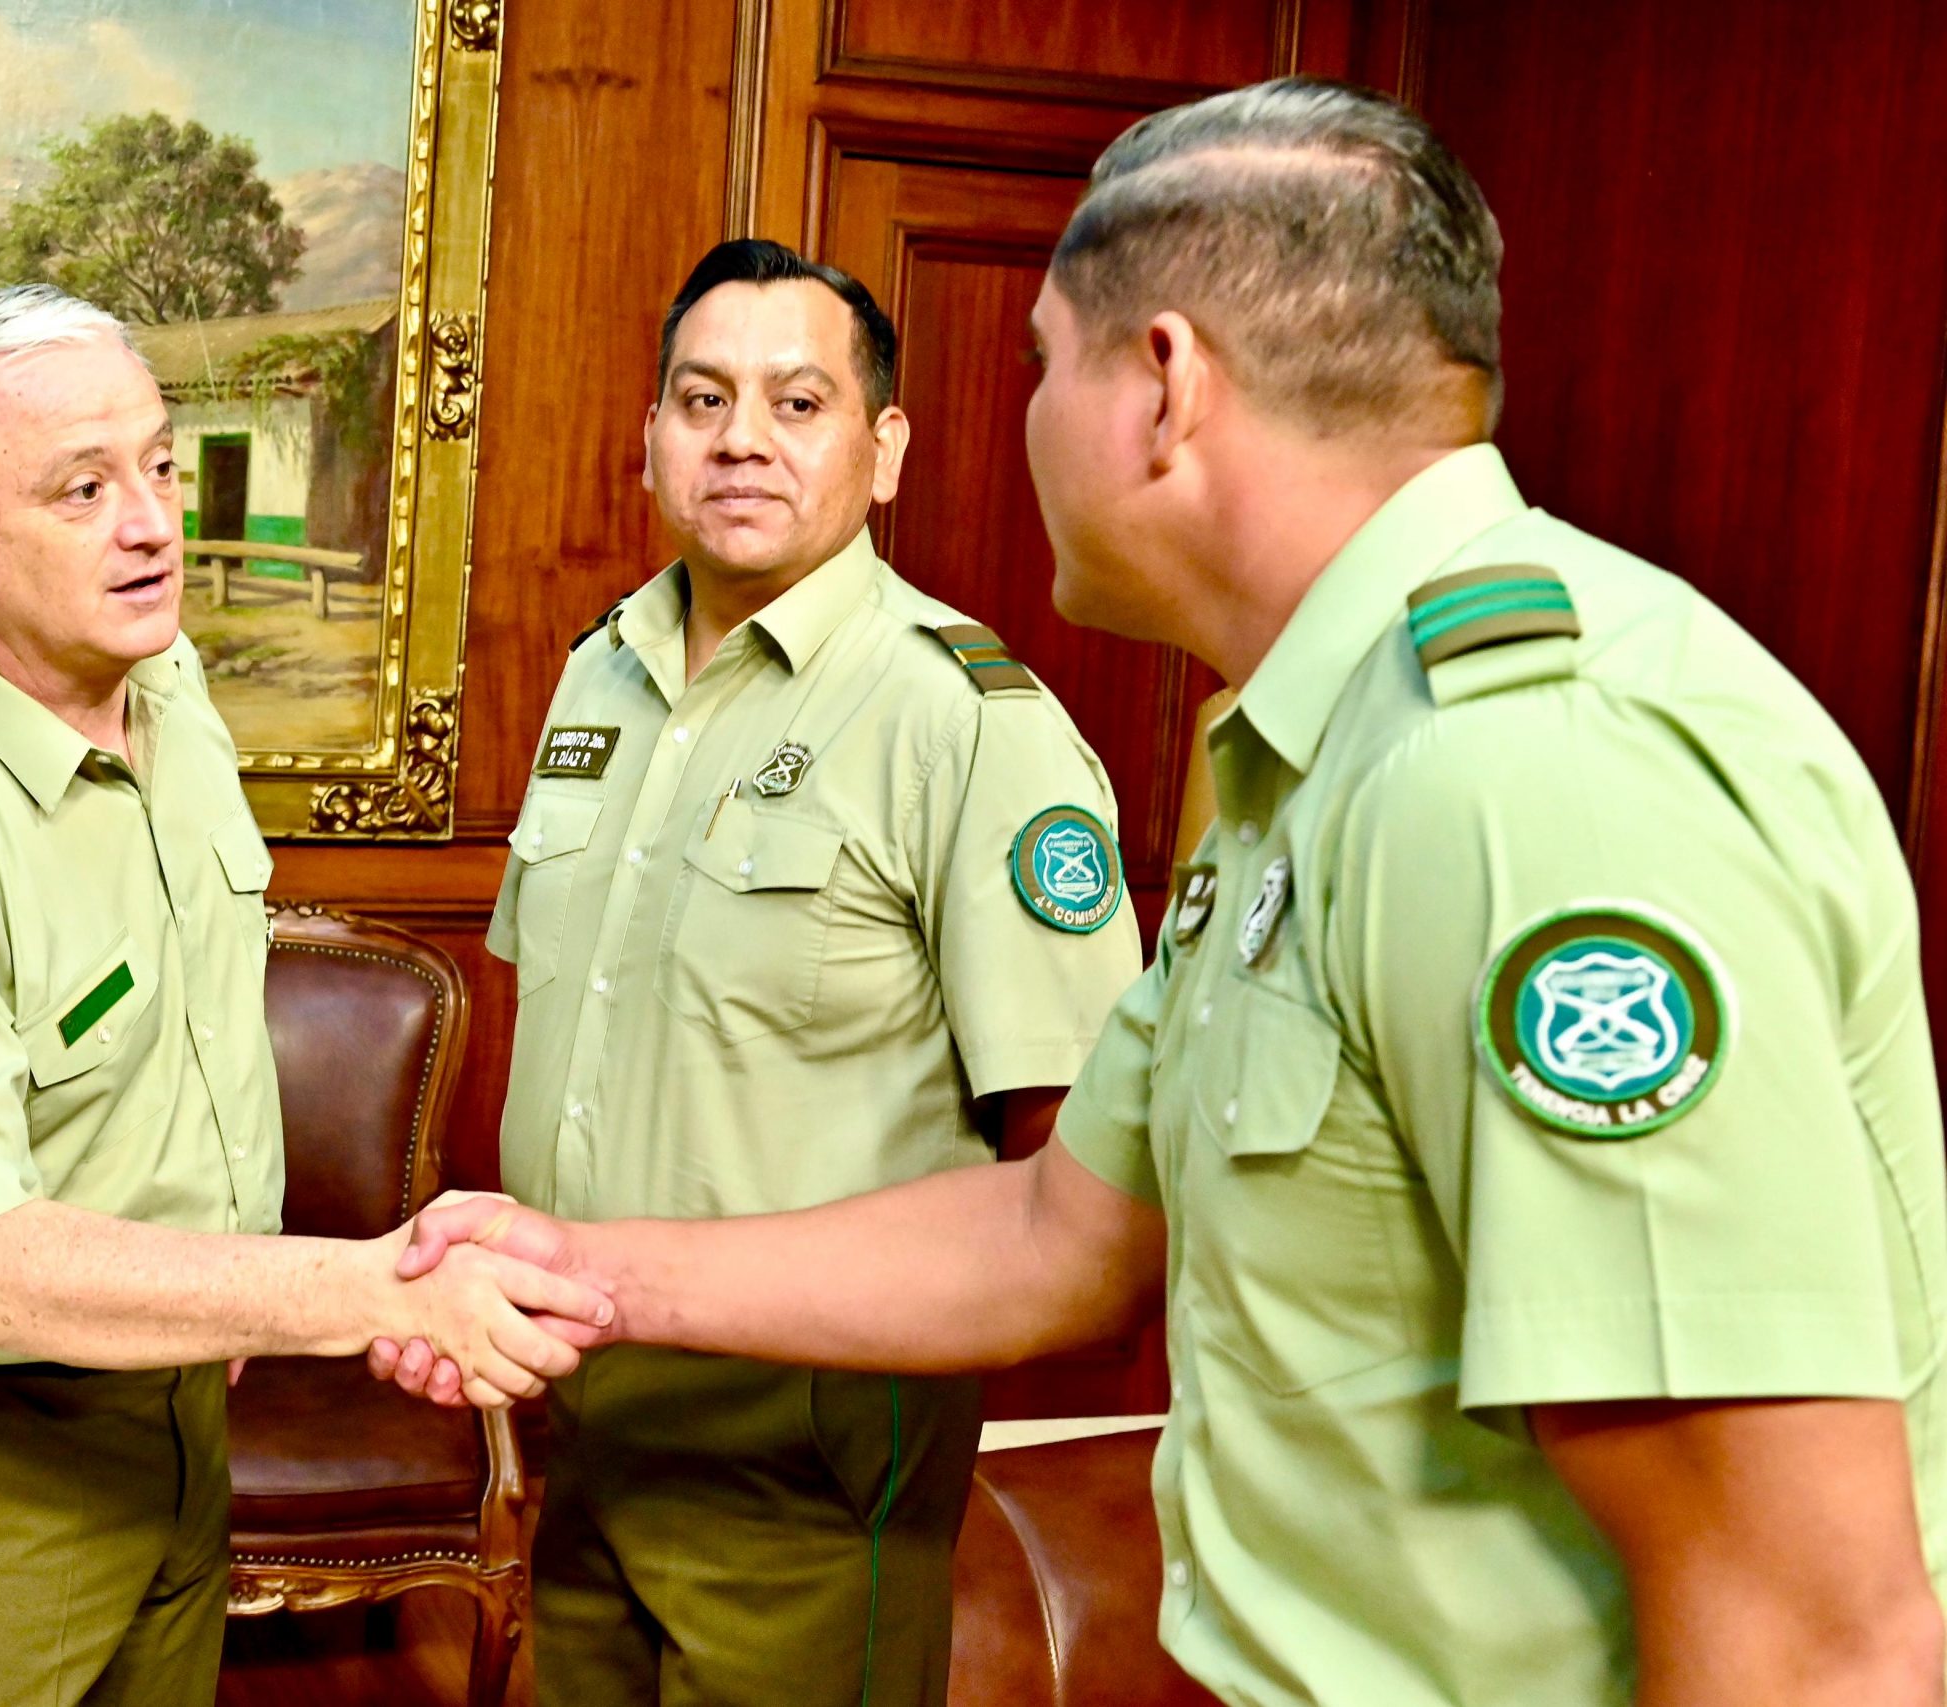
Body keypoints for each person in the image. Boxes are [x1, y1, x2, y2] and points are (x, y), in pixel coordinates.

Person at [377, 81, 1947, 1707]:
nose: (1032, 409)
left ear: (1164, 389)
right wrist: (584, 1268)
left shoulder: (1521, 776)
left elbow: (1811, 1630)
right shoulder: (1319, 750)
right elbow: (1064, 1236)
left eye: (1044, 359)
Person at [0, 285, 609, 1707]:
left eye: (155, 462)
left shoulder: (160, 675)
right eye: (83, 487)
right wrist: (366, 1292)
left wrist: (224, 1334)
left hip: (189, 1404)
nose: (154, 521)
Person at [470, 238, 1143, 1707]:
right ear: (650, 437)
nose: (742, 442)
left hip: (803, 1455)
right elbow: (554, 1032)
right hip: (583, 1414)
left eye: (798, 402)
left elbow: (1076, 1145)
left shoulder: (964, 721)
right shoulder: (603, 673)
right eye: (702, 401)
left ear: (882, 447)